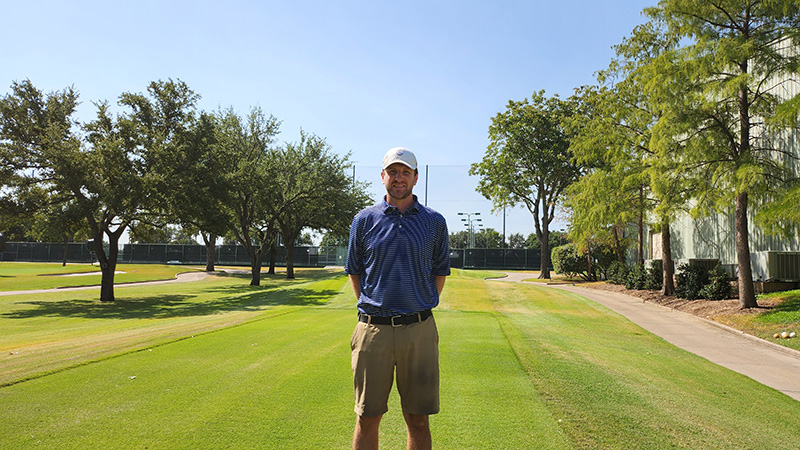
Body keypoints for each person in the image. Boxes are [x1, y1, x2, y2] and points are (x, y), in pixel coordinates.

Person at [345, 147, 450, 450]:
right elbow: (354, 270)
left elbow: (440, 271)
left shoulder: (434, 222)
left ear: (416, 177)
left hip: (419, 329)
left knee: (418, 419)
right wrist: (373, 306)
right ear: (383, 176)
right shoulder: (363, 220)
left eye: (405, 172)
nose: (399, 178)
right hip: (372, 331)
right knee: (367, 417)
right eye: (393, 171)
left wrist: (419, 303)